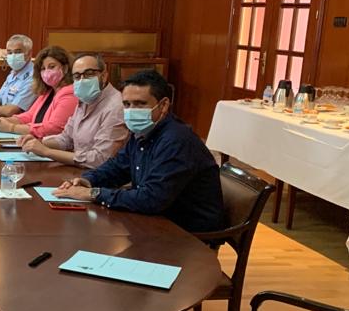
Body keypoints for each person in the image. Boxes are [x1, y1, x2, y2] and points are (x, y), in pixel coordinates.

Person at [52, 69, 223, 234]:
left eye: (140, 104)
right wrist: (87, 180)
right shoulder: (143, 132)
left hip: (186, 234)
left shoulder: (176, 140)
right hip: (153, 221)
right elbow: (117, 167)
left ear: (163, 105)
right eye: (127, 104)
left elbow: (152, 199)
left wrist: (94, 193)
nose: (131, 110)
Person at [18, 53, 127, 167]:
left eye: (89, 74)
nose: (82, 80)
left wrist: (47, 152)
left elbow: (100, 159)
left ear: (103, 76)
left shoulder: (116, 107)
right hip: (79, 171)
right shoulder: (85, 99)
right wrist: (39, 142)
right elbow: (66, 139)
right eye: (77, 76)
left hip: (100, 174)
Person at [0, 45, 76, 138]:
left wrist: (12, 128)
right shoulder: (48, 92)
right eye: (43, 69)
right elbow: (30, 115)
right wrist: (5, 121)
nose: (47, 72)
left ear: (65, 68)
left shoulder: (70, 93)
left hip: (52, 144)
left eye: (52, 67)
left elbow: (53, 129)